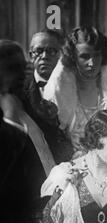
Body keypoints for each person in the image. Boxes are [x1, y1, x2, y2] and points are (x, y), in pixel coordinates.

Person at [44, 26, 107, 155]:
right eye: (84, 56)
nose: (92, 63)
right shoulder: (61, 89)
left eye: (97, 55)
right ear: (73, 58)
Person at [0, 41, 47, 223]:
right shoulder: (11, 110)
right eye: (12, 68)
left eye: (23, 67)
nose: (21, 75)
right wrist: (11, 120)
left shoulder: (24, 105)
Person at [23, 29, 73, 163]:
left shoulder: (74, 87)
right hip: (31, 165)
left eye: (51, 51)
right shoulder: (20, 91)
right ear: (31, 55)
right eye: (39, 51)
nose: (44, 56)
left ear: (61, 55)